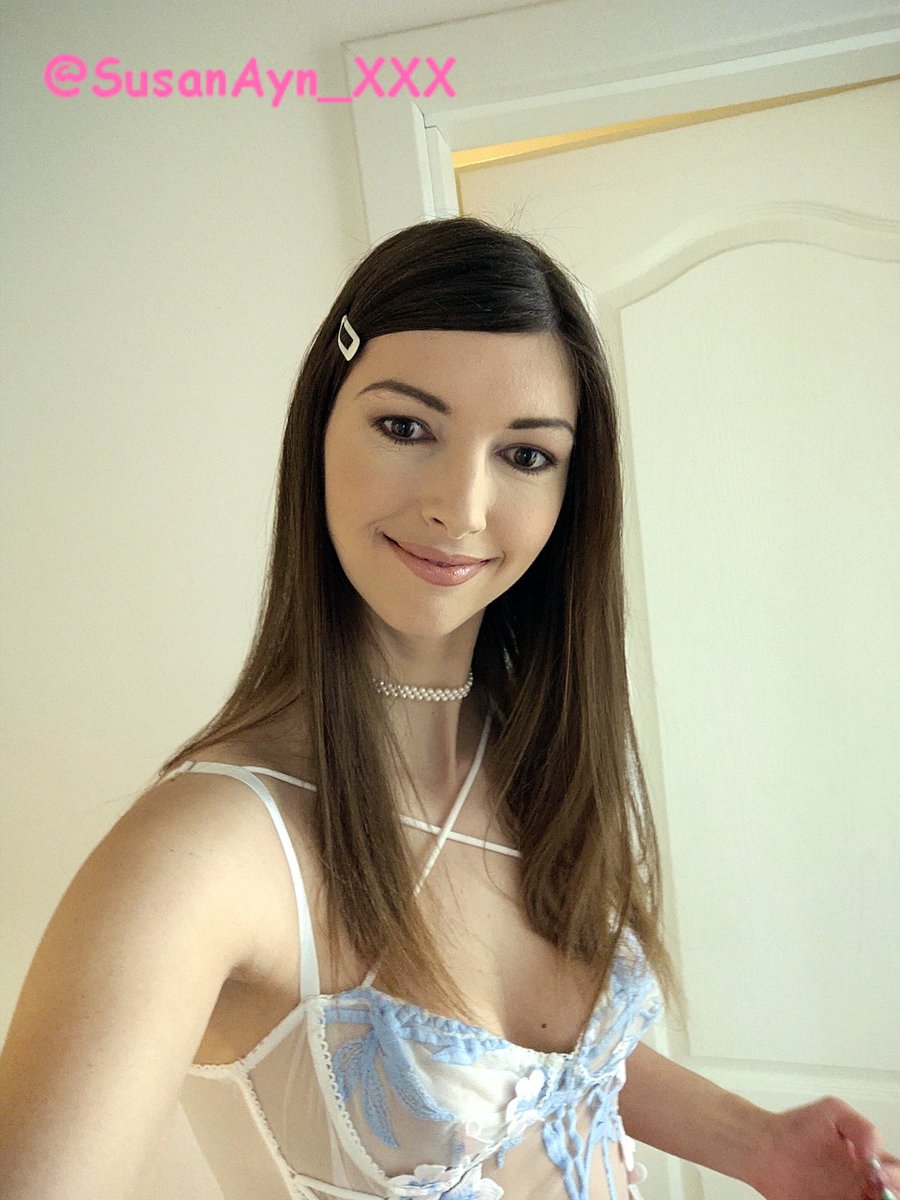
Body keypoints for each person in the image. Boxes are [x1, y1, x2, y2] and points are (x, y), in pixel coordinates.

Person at [0, 216, 895, 1200]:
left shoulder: (530, 759)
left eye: (526, 455)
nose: (461, 507)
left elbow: (543, 1070)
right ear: (320, 428)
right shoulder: (209, 849)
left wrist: (758, 1143)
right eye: (406, 428)